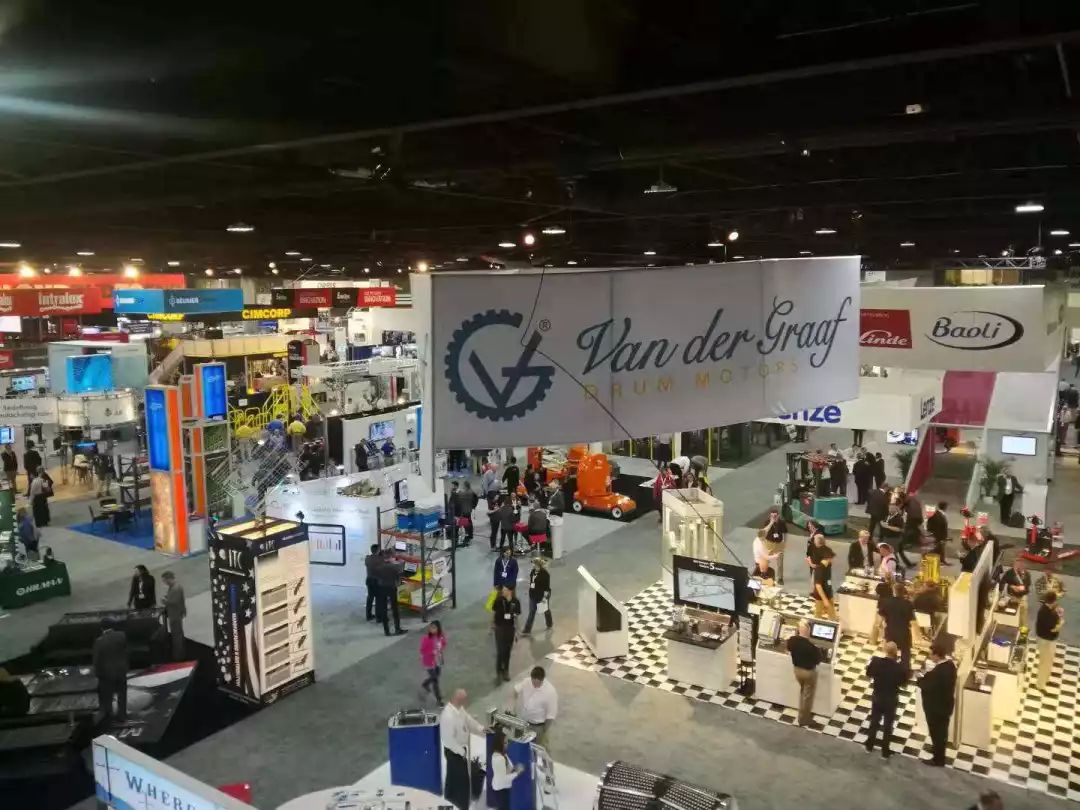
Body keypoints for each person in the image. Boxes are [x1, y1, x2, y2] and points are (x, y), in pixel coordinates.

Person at [440, 689, 486, 810]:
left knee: (455, 776)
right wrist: (462, 752)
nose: (466, 701)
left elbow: (468, 720)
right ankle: (459, 804)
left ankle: (452, 796)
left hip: (461, 750)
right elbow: (448, 740)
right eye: (465, 699)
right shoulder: (448, 716)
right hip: (454, 752)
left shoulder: (459, 709)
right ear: (458, 699)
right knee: (460, 779)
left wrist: (481, 728)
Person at [863, 641, 907, 759]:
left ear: (885, 650)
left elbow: (868, 673)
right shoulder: (899, 668)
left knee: (874, 721)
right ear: (896, 652)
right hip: (891, 698)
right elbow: (903, 683)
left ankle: (869, 745)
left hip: (877, 696)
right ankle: (885, 751)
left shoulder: (876, 662)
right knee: (888, 725)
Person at [917, 640, 957, 767]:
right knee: (941, 732)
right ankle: (936, 749)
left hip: (936, 708)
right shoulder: (950, 665)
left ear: (936, 655)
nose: (930, 656)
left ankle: (938, 759)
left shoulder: (939, 672)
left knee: (937, 732)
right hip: (945, 705)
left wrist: (920, 678)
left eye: (931, 654)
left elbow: (928, 686)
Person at [786, 619, 822, 728]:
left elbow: (789, 649)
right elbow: (818, 660)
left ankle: (801, 715)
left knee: (803, 692)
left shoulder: (792, 640)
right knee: (807, 697)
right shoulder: (811, 647)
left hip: (797, 670)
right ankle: (804, 719)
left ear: (798, 630)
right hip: (808, 673)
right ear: (808, 631)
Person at [92, 618, 129, 722]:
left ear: (102, 628)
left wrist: (97, 673)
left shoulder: (99, 641)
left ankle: (109, 716)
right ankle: (122, 716)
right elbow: (126, 652)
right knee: (122, 694)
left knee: (107, 696)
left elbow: (97, 660)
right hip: (121, 670)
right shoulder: (122, 635)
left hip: (106, 673)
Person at [513, 665, 558, 749]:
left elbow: (551, 716)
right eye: (533, 683)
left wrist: (544, 731)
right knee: (520, 746)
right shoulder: (526, 682)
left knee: (538, 748)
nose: (535, 686)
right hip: (524, 722)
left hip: (538, 727)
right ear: (531, 678)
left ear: (542, 680)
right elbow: (515, 691)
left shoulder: (550, 692)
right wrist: (513, 707)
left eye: (538, 684)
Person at [879, 581, 918, 675]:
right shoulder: (908, 604)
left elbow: (882, 616)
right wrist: (917, 634)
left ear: (894, 591)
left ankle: (889, 669)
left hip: (890, 630)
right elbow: (912, 620)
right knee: (905, 652)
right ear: (903, 591)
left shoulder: (887, 602)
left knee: (890, 651)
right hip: (904, 631)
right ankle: (905, 672)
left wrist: (882, 625)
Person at [1035, 591, 1065, 691]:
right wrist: (1061, 623)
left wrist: (1059, 614)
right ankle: (1040, 685)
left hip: (1049, 640)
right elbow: (1053, 629)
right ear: (1053, 601)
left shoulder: (1048, 609)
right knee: (1045, 662)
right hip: (1046, 641)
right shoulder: (1045, 612)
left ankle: (1046, 679)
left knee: (1049, 661)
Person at [491, 585, 521, 682]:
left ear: (510, 591)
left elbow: (516, 617)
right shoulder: (499, 600)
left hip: (510, 629)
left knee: (507, 651)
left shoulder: (516, 602)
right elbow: (494, 612)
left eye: (505, 590)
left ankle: (506, 670)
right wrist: (492, 624)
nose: (503, 591)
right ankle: (499, 671)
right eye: (503, 589)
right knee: (500, 651)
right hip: (500, 628)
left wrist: (517, 631)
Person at [489, 730, 524, 810]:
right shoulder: (499, 758)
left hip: (501, 788)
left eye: (507, 742)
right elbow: (503, 779)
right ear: (499, 744)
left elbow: (506, 769)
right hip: (502, 789)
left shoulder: (501, 754)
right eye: (505, 743)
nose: (507, 744)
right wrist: (517, 773)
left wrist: (515, 768)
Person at [376, 549, 407, 636]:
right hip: (391, 588)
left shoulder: (379, 566)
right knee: (395, 609)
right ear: (391, 557)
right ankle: (397, 629)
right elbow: (403, 568)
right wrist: (400, 561)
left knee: (384, 609)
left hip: (381, 588)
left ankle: (386, 631)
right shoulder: (394, 566)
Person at [522, 557, 552, 636]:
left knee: (545, 610)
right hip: (533, 595)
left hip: (542, 595)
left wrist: (544, 598)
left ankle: (549, 623)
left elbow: (547, 588)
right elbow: (532, 582)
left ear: (537, 564)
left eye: (533, 564)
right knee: (532, 612)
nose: (532, 565)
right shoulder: (533, 571)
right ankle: (527, 630)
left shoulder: (545, 574)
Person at [419, 620, 446, 705]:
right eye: (431, 627)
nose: (431, 629)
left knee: (436, 677)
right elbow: (422, 650)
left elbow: (444, 643)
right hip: (429, 662)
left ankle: (425, 683)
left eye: (434, 627)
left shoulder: (441, 636)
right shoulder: (426, 639)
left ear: (438, 628)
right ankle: (439, 699)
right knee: (435, 680)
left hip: (438, 661)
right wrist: (432, 652)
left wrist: (440, 651)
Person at [161, 571, 186, 660]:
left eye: (165, 580)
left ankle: (178, 656)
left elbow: (174, 601)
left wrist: (164, 601)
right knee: (178, 634)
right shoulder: (173, 587)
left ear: (169, 579)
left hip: (175, 615)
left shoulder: (176, 588)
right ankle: (181, 653)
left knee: (176, 636)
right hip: (175, 614)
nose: (164, 583)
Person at [1001, 558, 1032, 628]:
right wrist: (1012, 587)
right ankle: (1011, 628)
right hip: (1012, 597)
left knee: (1023, 616)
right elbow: (1003, 582)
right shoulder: (1009, 573)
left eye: (1020, 564)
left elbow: (1028, 584)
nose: (1019, 566)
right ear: (1013, 565)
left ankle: (1022, 629)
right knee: (1012, 615)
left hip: (1023, 597)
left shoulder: (1026, 573)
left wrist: (1023, 588)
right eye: (1017, 564)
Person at [811, 540, 837, 620]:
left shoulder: (828, 565)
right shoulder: (820, 568)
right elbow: (818, 585)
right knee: (818, 614)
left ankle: (832, 622)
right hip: (821, 595)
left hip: (828, 592)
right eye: (830, 558)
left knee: (832, 613)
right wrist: (825, 600)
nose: (831, 559)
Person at [761, 507, 787, 584]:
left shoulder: (782, 523)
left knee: (780, 562)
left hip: (779, 544)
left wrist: (784, 542)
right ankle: (764, 573)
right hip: (769, 543)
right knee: (765, 559)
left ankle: (780, 578)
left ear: (778, 516)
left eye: (775, 516)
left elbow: (785, 532)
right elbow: (764, 532)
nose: (773, 517)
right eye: (772, 516)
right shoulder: (767, 522)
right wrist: (771, 523)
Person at [364, 543, 380, 622]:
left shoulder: (367, 558)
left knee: (370, 598)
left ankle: (368, 616)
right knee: (379, 599)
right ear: (378, 550)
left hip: (369, 580)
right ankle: (378, 617)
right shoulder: (379, 560)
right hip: (376, 581)